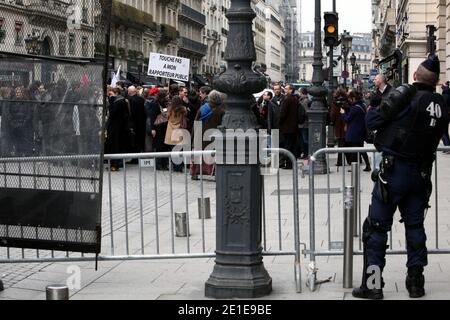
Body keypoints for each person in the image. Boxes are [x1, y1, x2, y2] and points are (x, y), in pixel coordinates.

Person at [352, 55, 449, 300]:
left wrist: (380, 101)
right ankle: (416, 283)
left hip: (394, 172)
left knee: (375, 229)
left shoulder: (406, 95)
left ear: (415, 75)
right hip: (421, 175)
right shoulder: (441, 104)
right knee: (415, 227)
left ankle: (373, 284)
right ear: (436, 81)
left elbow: (372, 121)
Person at [340, 90, 371, 172]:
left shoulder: (355, 108)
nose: (349, 100)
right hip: (361, 130)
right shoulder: (362, 105)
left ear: (353, 98)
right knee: (361, 149)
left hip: (354, 132)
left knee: (354, 150)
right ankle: (367, 165)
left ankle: (355, 167)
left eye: (350, 98)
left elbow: (348, 119)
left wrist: (343, 113)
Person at [279, 84, 299, 168]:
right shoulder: (295, 99)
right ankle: (292, 162)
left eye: (286, 89)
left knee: (287, 146)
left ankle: (288, 164)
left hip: (287, 127)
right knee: (293, 145)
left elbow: (283, 114)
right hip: (294, 126)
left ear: (291, 90)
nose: (285, 90)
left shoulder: (287, 100)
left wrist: (279, 122)